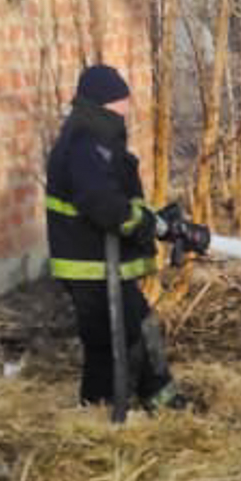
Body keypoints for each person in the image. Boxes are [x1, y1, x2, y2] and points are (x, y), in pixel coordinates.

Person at [43, 63, 188, 413]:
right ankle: (151, 404)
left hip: (99, 267)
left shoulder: (95, 142)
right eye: (119, 105)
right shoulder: (84, 146)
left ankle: (101, 406)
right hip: (92, 269)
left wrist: (153, 218)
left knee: (112, 338)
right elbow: (103, 204)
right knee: (128, 334)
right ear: (101, 105)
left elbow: (118, 197)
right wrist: (147, 225)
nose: (125, 112)